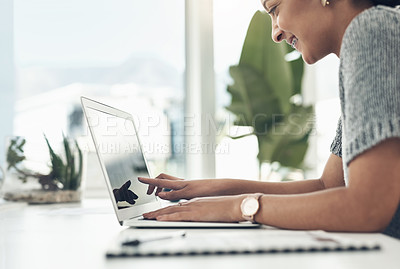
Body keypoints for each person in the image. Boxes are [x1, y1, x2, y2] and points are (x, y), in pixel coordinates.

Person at [138, 0, 400, 238]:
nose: (275, 33)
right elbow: (327, 187)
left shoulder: (373, 30)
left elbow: (368, 208)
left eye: (275, 9)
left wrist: (240, 207)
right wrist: (208, 189)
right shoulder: (374, 42)